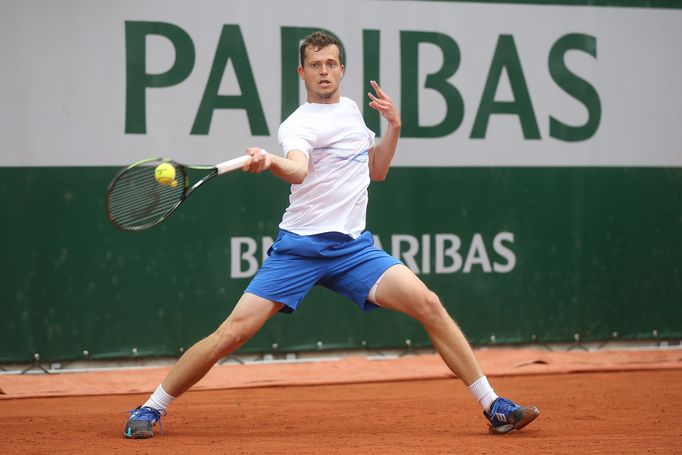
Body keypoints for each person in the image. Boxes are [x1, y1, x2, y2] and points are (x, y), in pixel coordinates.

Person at [123, 31, 539, 439]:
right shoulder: (298, 125)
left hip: (354, 250)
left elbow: (376, 170)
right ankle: (151, 406)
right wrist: (271, 161)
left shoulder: (353, 110)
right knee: (231, 333)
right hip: (299, 251)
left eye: (331, 64)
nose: (324, 72)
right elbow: (299, 169)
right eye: (315, 65)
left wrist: (393, 127)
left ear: (341, 69)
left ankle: (494, 406)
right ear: (301, 72)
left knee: (428, 303)